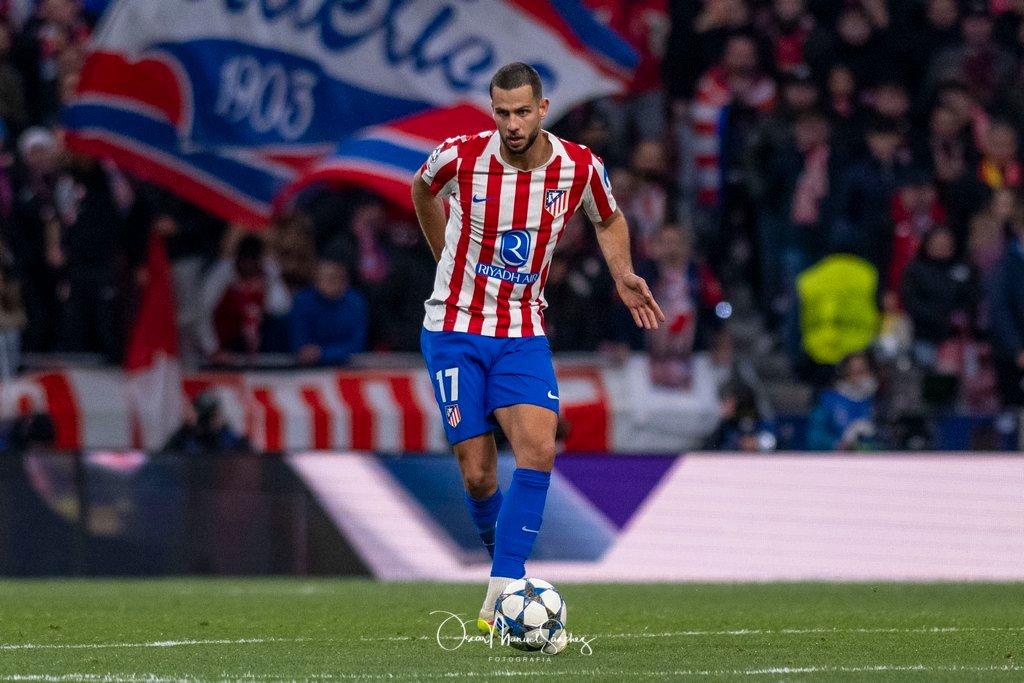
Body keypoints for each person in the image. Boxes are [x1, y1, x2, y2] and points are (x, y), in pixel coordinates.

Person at [410, 62, 664, 647]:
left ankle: (501, 594)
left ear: (543, 109)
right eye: (502, 112)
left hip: (522, 330)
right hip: (453, 328)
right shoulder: (460, 156)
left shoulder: (579, 165)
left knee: (539, 449)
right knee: (478, 476)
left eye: (523, 112)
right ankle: (506, 581)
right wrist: (441, 250)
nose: (513, 124)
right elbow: (422, 188)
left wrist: (622, 272)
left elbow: (609, 217)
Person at [288, 256, 368, 366]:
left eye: (333, 277)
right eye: (323, 277)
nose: (329, 282)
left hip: (347, 366)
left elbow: (357, 345)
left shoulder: (356, 302)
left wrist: (323, 353)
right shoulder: (302, 301)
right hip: (307, 367)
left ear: (345, 280)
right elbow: (300, 344)